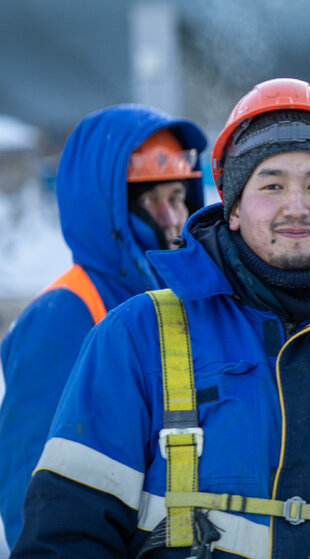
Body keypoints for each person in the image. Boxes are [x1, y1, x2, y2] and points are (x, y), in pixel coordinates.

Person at [14, 78, 310, 558]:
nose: (297, 206)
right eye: (272, 185)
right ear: (232, 207)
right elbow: (66, 533)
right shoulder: (135, 338)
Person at [0, 105, 207, 549]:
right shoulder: (63, 314)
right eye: (154, 201)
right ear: (109, 209)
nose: (173, 221)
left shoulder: (178, 304)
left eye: (178, 199)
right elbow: (32, 496)